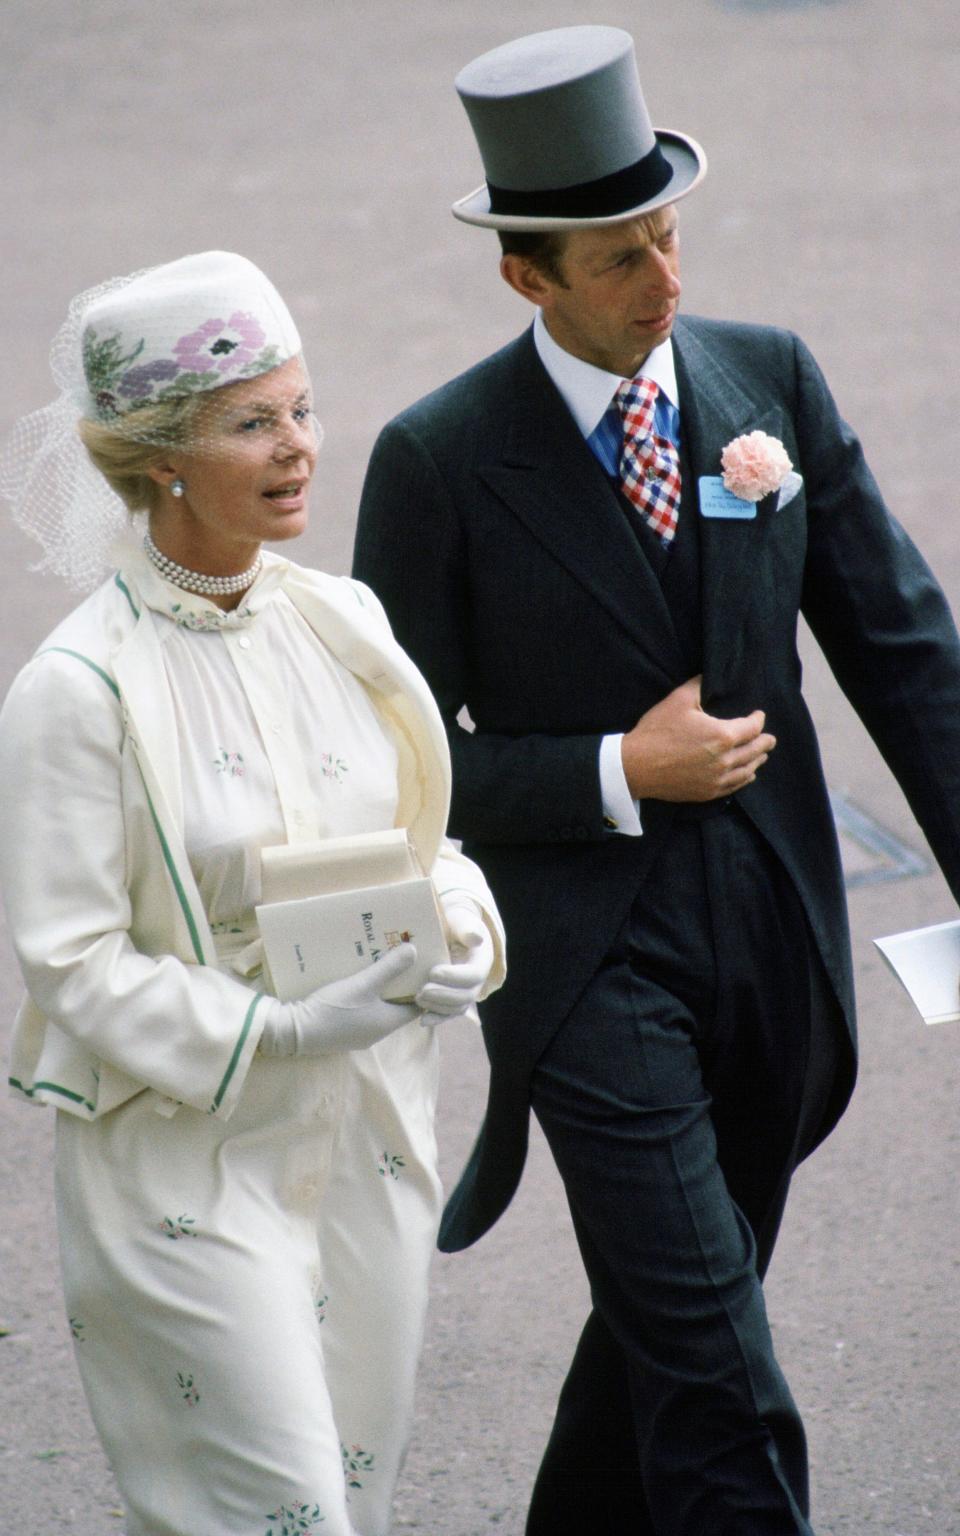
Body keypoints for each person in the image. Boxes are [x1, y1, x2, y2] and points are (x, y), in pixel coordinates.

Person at [352, 25, 960, 1536]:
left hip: (775, 944)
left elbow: (908, 652)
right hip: (584, 970)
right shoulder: (436, 462)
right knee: (720, 1382)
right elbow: (397, 776)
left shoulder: (770, 381)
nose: (665, 283)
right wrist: (623, 766)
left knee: (666, 1340)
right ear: (527, 276)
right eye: (620, 259)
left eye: (669, 238)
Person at [0, 249, 505, 1536]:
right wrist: (275, 1030)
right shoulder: (77, 689)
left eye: (303, 410)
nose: (299, 450)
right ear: (159, 455)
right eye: (251, 423)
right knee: (281, 1518)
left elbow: (427, 844)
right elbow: (69, 958)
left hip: (367, 1148)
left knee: (354, 1498)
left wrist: (463, 932)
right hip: (182, 1168)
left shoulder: (342, 623)